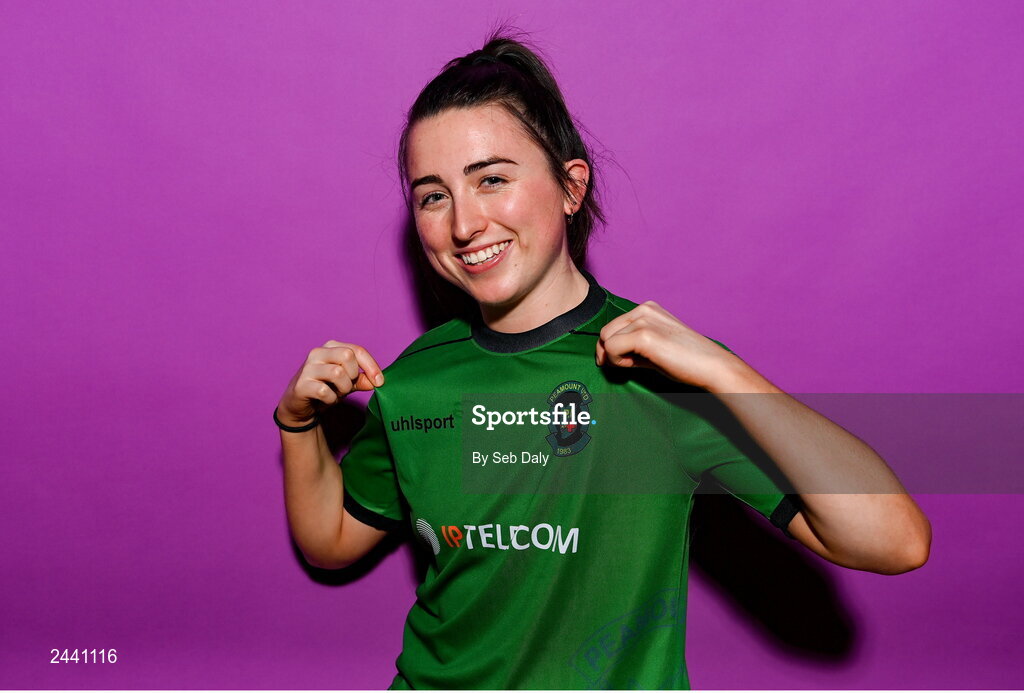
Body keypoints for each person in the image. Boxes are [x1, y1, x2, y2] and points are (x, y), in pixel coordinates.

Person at [275, 30, 931, 690]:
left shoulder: (666, 375)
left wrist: (725, 373)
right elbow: (332, 542)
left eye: (492, 179)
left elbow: (895, 542)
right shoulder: (416, 376)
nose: (464, 224)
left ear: (571, 186)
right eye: (432, 195)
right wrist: (298, 423)